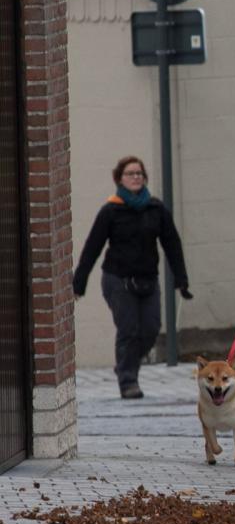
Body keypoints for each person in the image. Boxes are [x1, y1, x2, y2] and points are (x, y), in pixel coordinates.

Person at [73, 156, 191, 399]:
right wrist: (79, 282)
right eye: (130, 173)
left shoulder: (156, 209)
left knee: (150, 329)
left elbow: (172, 245)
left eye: (139, 173)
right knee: (128, 330)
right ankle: (128, 382)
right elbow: (92, 247)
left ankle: (125, 363)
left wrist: (181, 279)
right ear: (119, 179)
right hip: (118, 280)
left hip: (148, 279)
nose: (136, 177)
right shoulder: (111, 211)